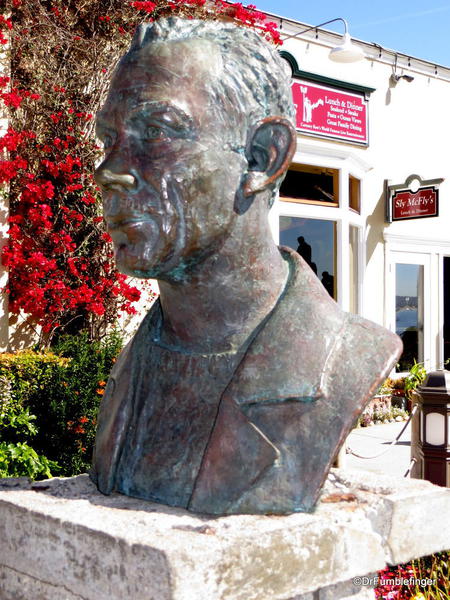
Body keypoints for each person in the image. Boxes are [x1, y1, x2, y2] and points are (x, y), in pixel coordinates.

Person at [91, 17, 402, 515]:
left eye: (156, 131)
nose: (109, 170)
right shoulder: (134, 365)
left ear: (260, 158)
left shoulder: (342, 356)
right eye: (110, 138)